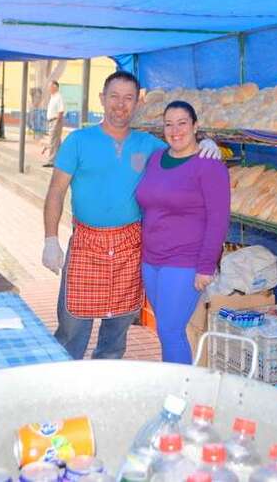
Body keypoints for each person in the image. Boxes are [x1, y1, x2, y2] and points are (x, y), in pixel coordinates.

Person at [42, 71, 221, 360]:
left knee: (116, 335)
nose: (120, 104)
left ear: (137, 103)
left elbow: (183, 148)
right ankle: (61, 384)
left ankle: (109, 384)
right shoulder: (78, 140)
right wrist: (50, 239)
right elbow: (55, 191)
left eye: (128, 98)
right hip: (87, 244)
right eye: (114, 96)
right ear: (102, 98)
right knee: (71, 331)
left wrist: (206, 144)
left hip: (130, 247)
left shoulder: (150, 145)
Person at [135, 101, 230, 364]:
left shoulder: (209, 165)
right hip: (151, 259)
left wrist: (206, 266)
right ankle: (176, 382)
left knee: (171, 331)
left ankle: (181, 388)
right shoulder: (156, 158)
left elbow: (218, 220)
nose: (175, 131)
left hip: (185, 261)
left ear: (195, 126)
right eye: (169, 124)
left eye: (182, 123)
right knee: (166, 331)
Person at [43, 80, 65, 167]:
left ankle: (51, 161)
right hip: (52, 121)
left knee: (53, 141)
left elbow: (61, 111)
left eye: (50, 86)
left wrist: (57, 123)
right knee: (57, 142)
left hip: (55, 121)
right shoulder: (53, 97)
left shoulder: (58, 97)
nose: (49, 88)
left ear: (55, 87)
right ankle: (60, 160)